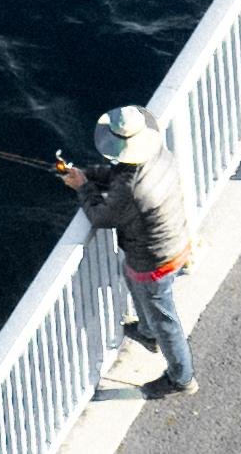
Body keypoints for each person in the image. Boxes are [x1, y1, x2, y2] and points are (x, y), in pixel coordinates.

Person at [53, 103, 197, 398]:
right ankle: (146, 332)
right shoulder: (159, 155)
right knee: (131, 278)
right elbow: (120, 176)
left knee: (167, 323)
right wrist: (88, 175)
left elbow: (102, 216)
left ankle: (181, 378)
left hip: (155, 260)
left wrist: (82, 187)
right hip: (175, 240)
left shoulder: (131, 189)